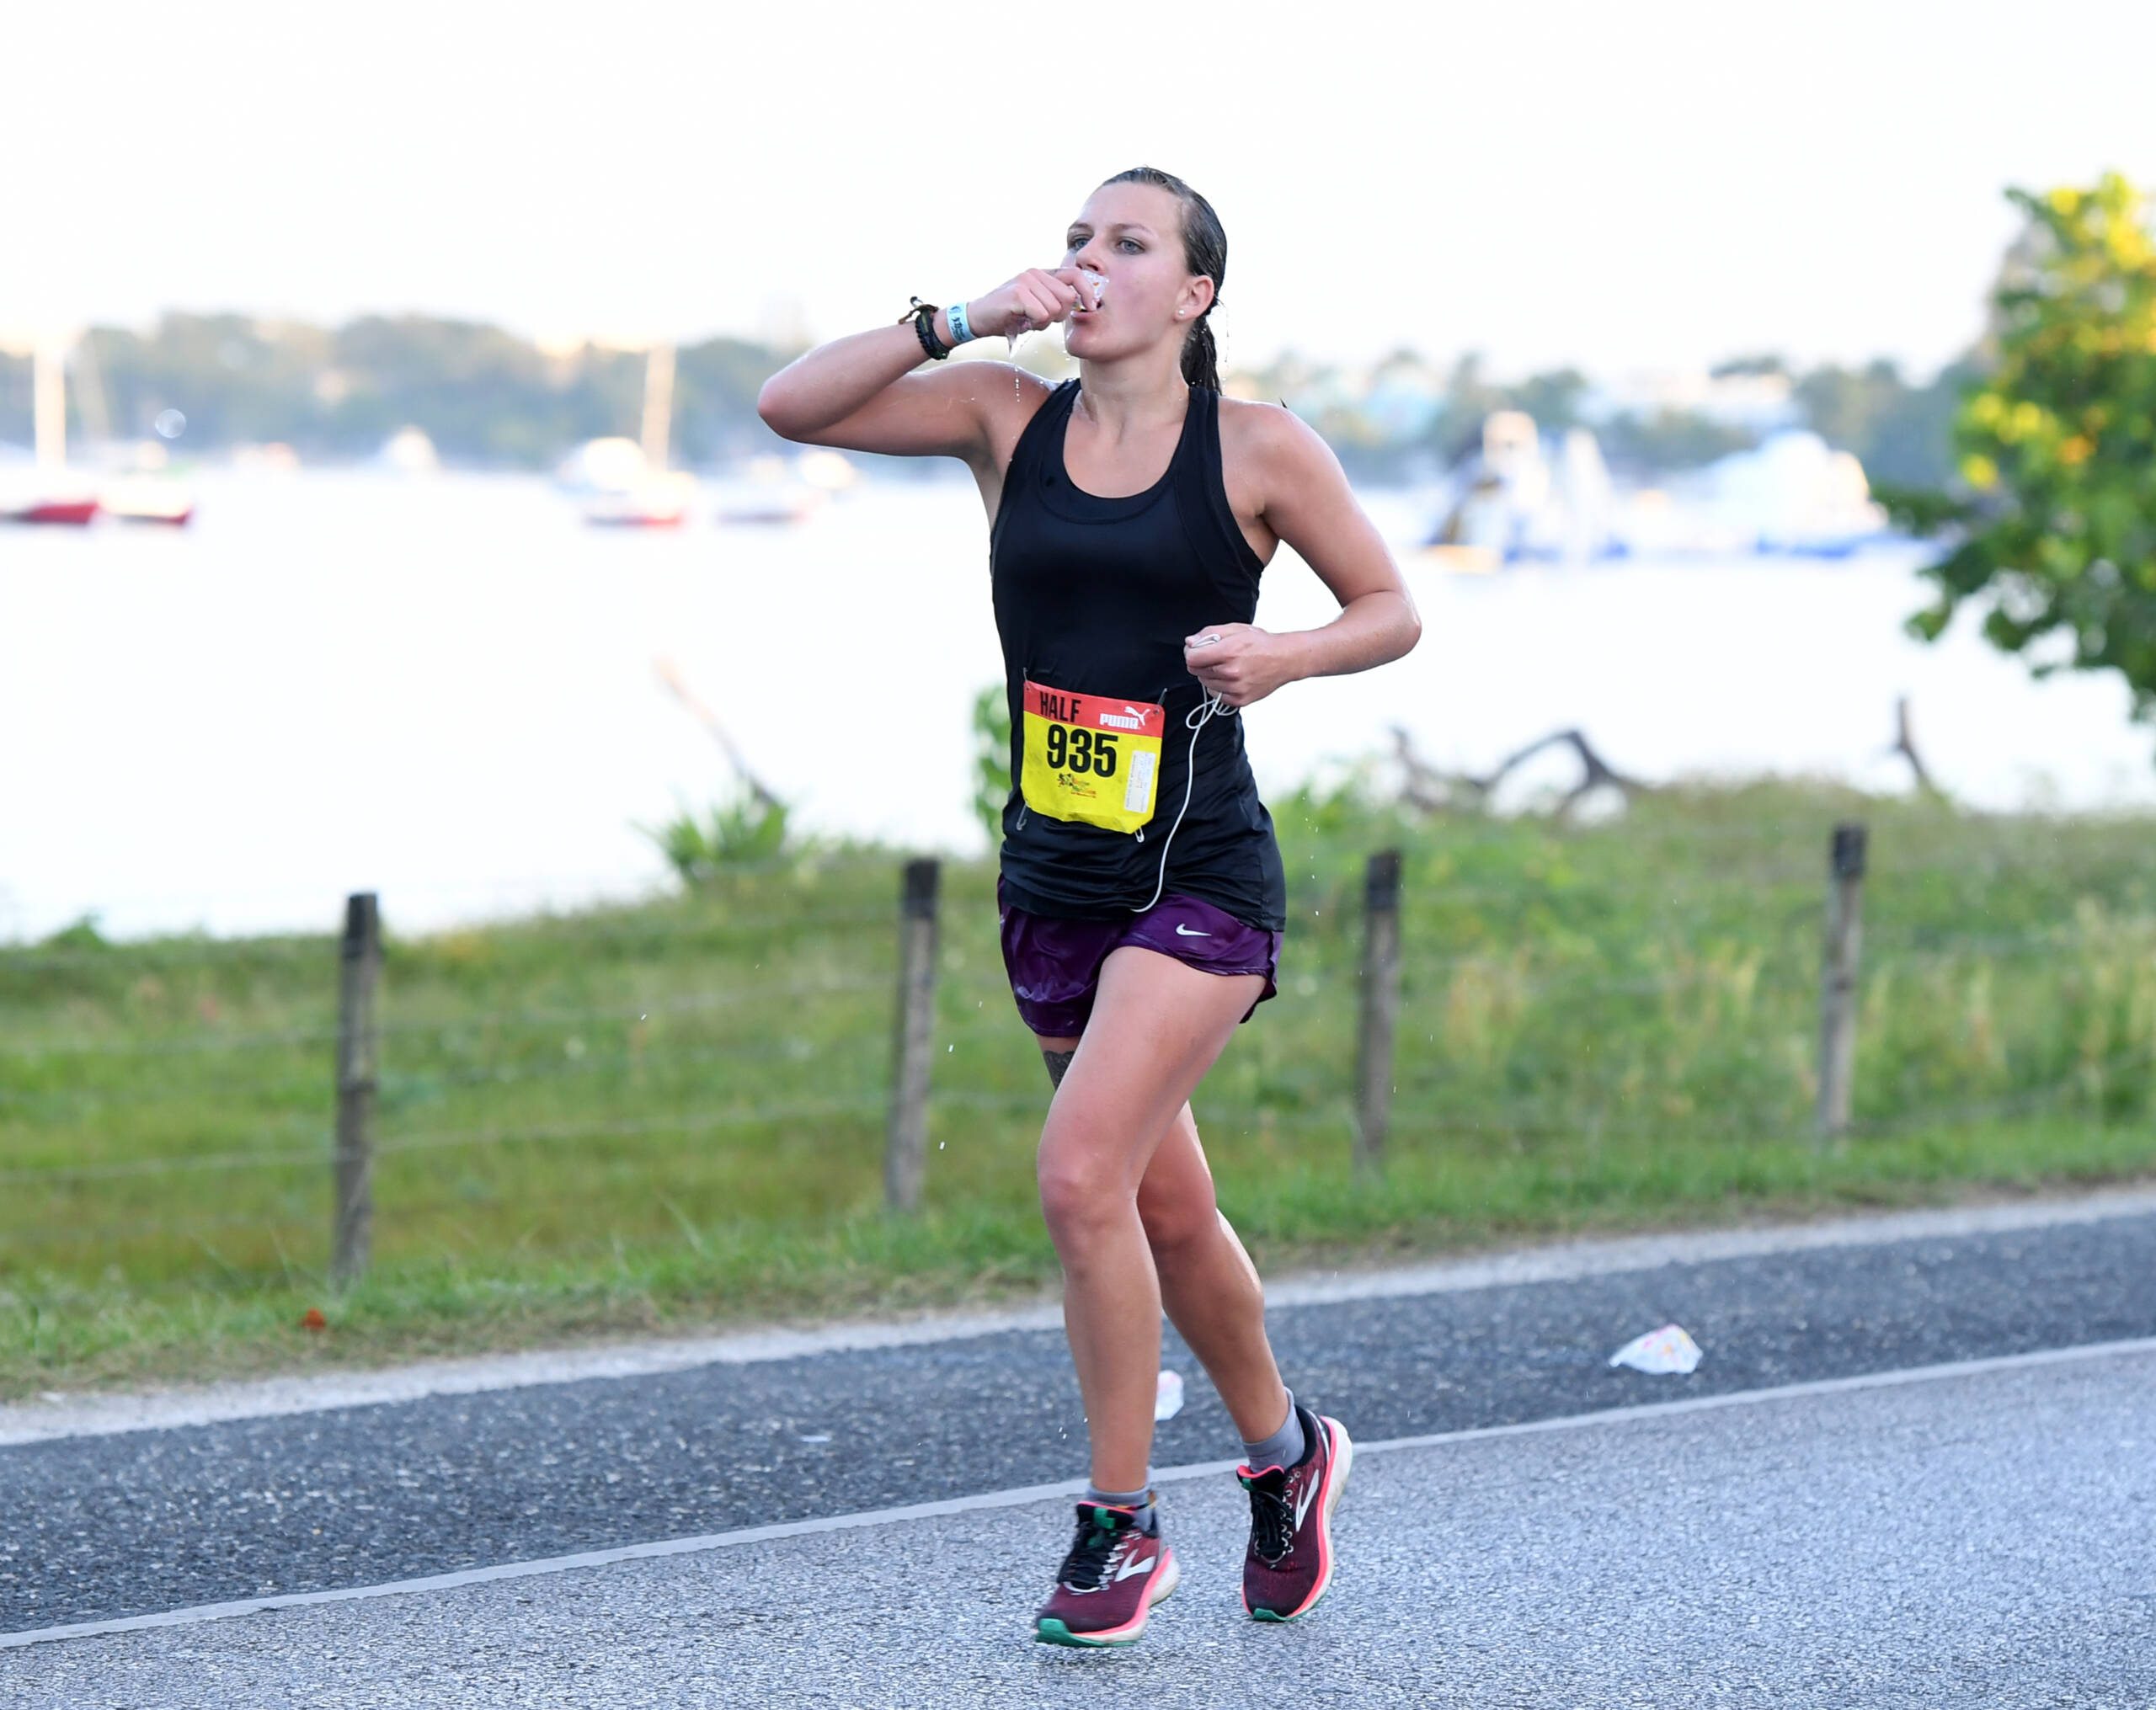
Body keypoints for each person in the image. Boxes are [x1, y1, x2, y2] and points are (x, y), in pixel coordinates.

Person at [758, 166, 1420, 1648]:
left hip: (1200, 877)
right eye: (1076, 240)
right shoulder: (1007, 416)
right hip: (1054, 876)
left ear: (1192, 294)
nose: (1089, 262)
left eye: (1128, 243)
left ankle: (1121, 1525)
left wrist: (1286, 656)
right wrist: (965, 316)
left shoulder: (1258, 447)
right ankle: (1288, 1456)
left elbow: (1392, 610)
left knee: (1077, 1179)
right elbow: (790, 408)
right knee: (1165, 1209)